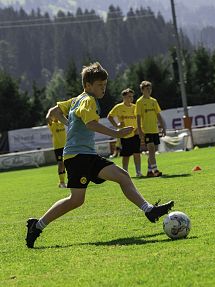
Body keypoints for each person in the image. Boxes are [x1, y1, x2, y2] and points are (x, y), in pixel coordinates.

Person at [25, 62, 174, 248]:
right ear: (87, 85)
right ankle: (37, 226)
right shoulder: (88, 100)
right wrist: (117, 133)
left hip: (86, 155)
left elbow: (53, 111)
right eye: (99, 85)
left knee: (122, 176)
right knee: (76, 200)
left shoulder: (76, 99)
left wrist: (68, 122)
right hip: (78, 156)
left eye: (105, 85)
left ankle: (149, 210)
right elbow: (90, 124)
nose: (103, 89)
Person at [108, 88, 142, 177]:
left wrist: (138, 129)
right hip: (124, 135)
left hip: (135, 133)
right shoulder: (118, 107)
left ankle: (138, 172)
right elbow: (110, 117)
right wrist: (117, 126)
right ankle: (125, 173)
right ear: (124, 97)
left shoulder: (135, 107)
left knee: (137, 154)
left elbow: (140, 119)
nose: (131, 98)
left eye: (132, 97)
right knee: (126, 155)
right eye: (129, 96)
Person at [136, 80, 166, 177]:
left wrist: (163, 127)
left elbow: (158, 115)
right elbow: (138, 117)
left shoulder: (154, 101)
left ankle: (149, 171)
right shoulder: (139, 102)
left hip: (155, 130)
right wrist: (140, 130)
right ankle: (155, 170)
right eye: (147, 89)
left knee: (153, 151)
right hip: (146, 130)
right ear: (142, 90)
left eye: (150, 88)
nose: (149, 90)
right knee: (152, 149)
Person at [47, 118, 67, 188]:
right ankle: (62, 182)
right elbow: (47, 118)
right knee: (60, 163)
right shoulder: (52, 125)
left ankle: (62, 182)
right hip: (58, 147)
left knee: (64, 163)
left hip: (65, 146)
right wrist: (50, 113)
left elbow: (64, 115)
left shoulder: (61, 123)